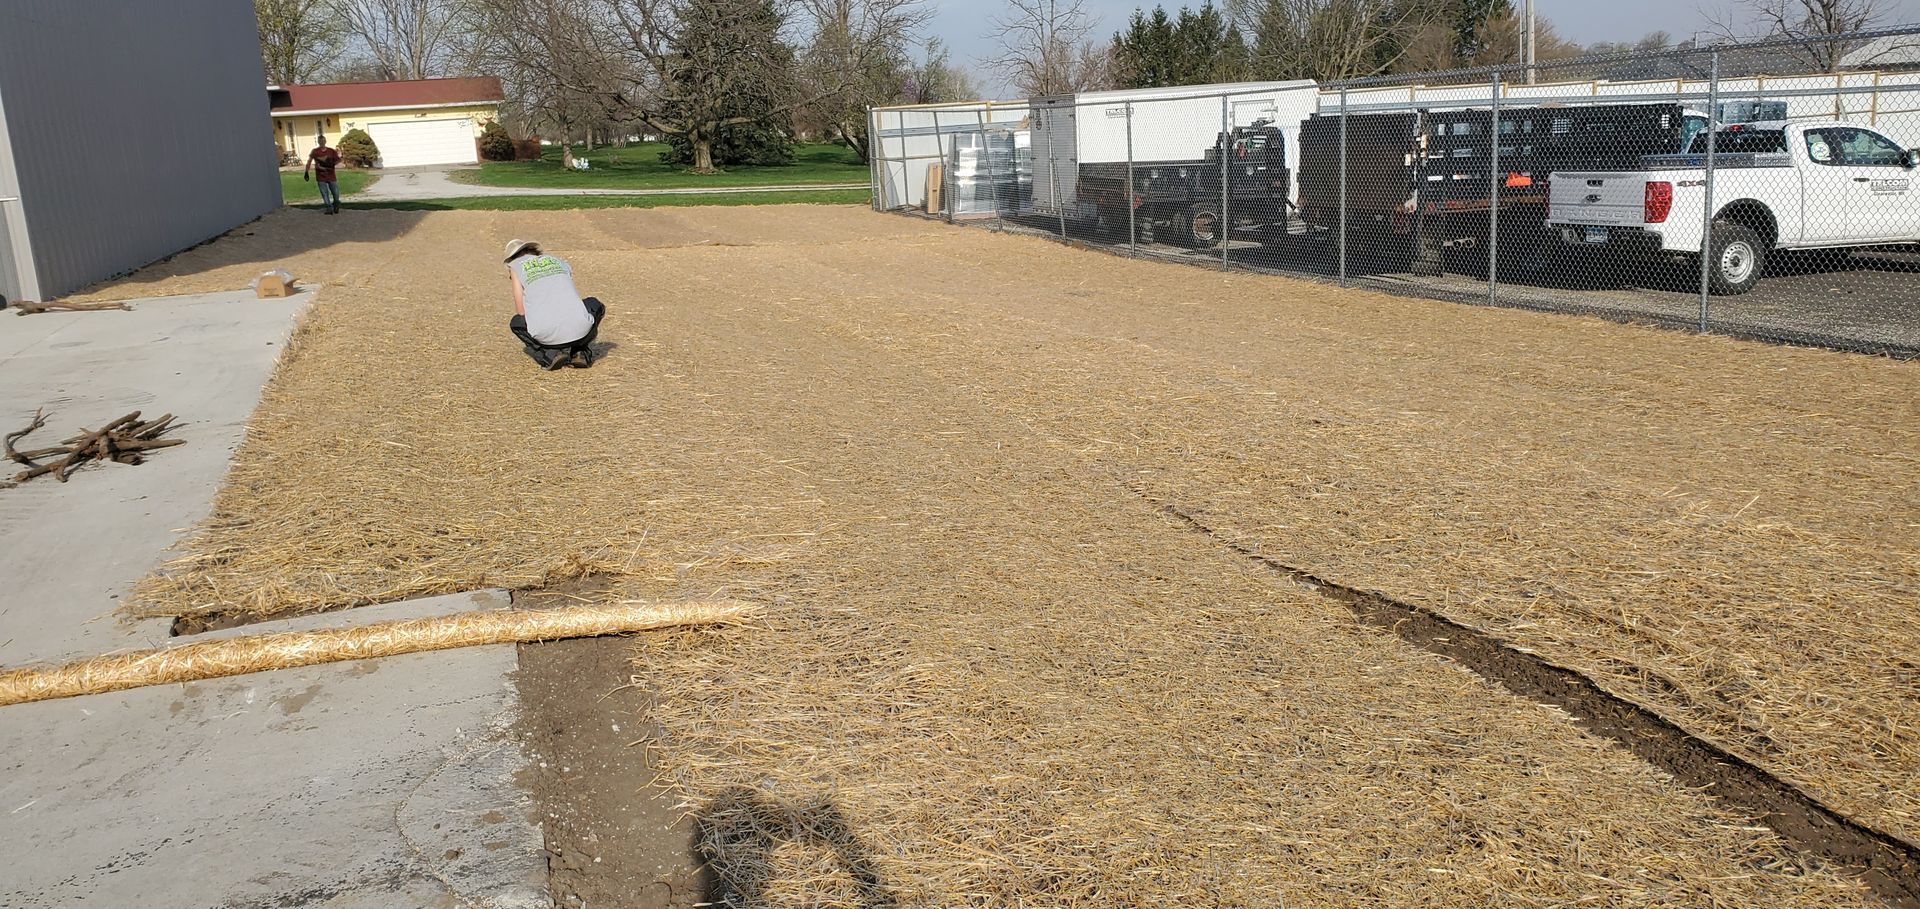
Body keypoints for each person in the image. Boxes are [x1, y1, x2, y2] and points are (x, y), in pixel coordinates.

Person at [503, 239, 606, 370]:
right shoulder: (557, 260)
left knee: (517, 322)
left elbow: (521, 311)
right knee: (594, 303)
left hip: (548, 337)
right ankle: (579, 351)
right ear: (534, 251)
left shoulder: (516, 266)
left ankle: (549, 355)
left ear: (511, 259)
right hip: (582, 331)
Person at [304, 135, 343, 215]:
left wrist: (331, 164)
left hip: (331, 175)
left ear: (325, 141)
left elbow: (338, 160)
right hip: (320, 176)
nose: (322, 142)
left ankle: (336, 204)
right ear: (318, 142)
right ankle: (329, 208)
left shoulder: (331, 151)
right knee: (324, 193)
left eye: (323, 141)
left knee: (336, 193)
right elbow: (309, 161)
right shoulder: (315, 151)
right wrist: (306, 172)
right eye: (320, 141)